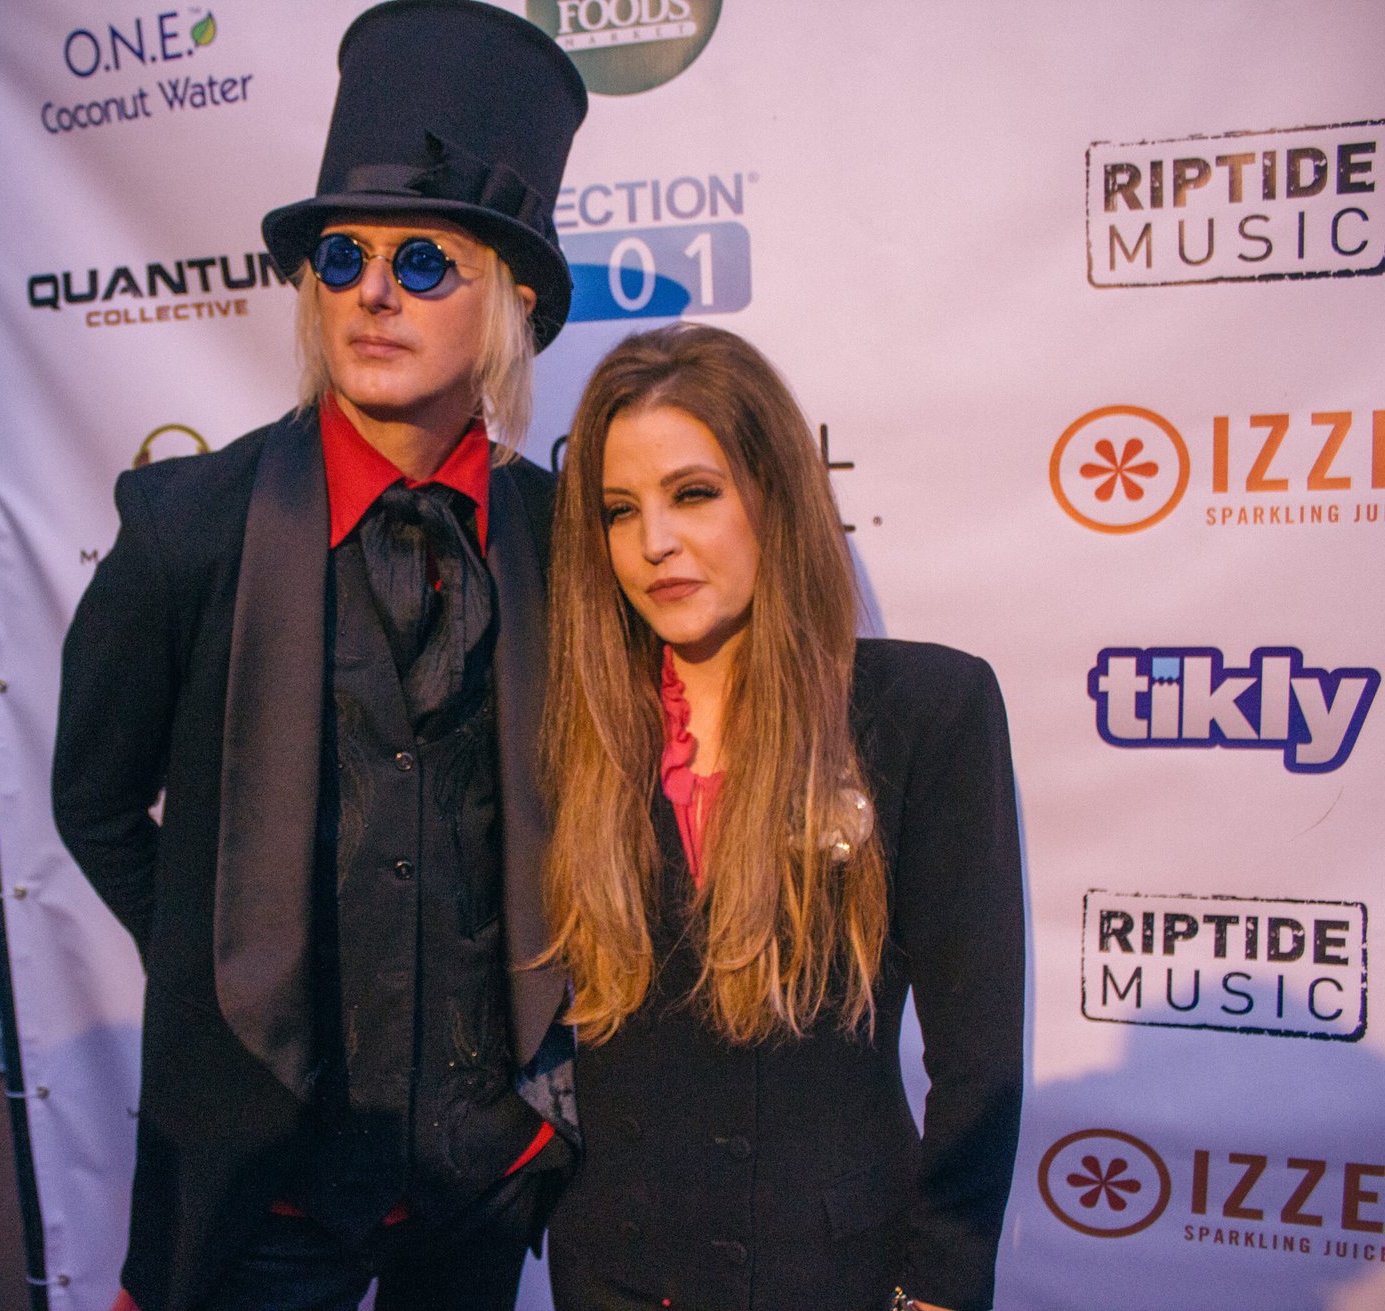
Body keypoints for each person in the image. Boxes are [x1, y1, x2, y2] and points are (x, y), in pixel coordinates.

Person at [50, 4, 587, 1309]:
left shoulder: (564, 540)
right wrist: (223, 965)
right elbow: (96, 802)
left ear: (510, 302)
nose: (371, 290)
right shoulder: (188, 528)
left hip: (482, 1173)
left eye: (422, 261)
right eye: (341, 255)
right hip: (263, 1180)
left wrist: (539, 1105)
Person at [539, 323, 1024, 1311]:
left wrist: (938, 1284)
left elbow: (977, 1057)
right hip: (612, 1279)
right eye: (618, 510)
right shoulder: (576, 733)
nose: (653, 544)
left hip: (840, 1276)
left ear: (775, 494)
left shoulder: (925, 712)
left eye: (694, 493)